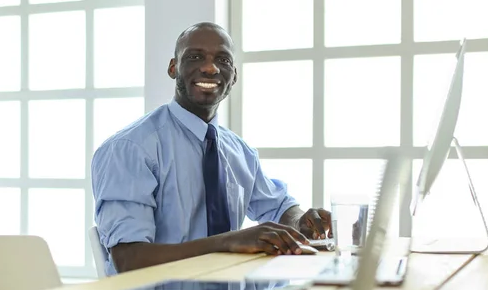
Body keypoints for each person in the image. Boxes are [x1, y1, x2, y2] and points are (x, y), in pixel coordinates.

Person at [91, 22, 332, 275]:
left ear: (234, 75)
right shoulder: (131, 149)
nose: (209, 67)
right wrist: (228, 242)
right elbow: (130, 259)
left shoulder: (240, 151)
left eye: (223, 60)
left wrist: (301, 223)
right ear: (173, 68)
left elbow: (280, 206)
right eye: (195, 57)